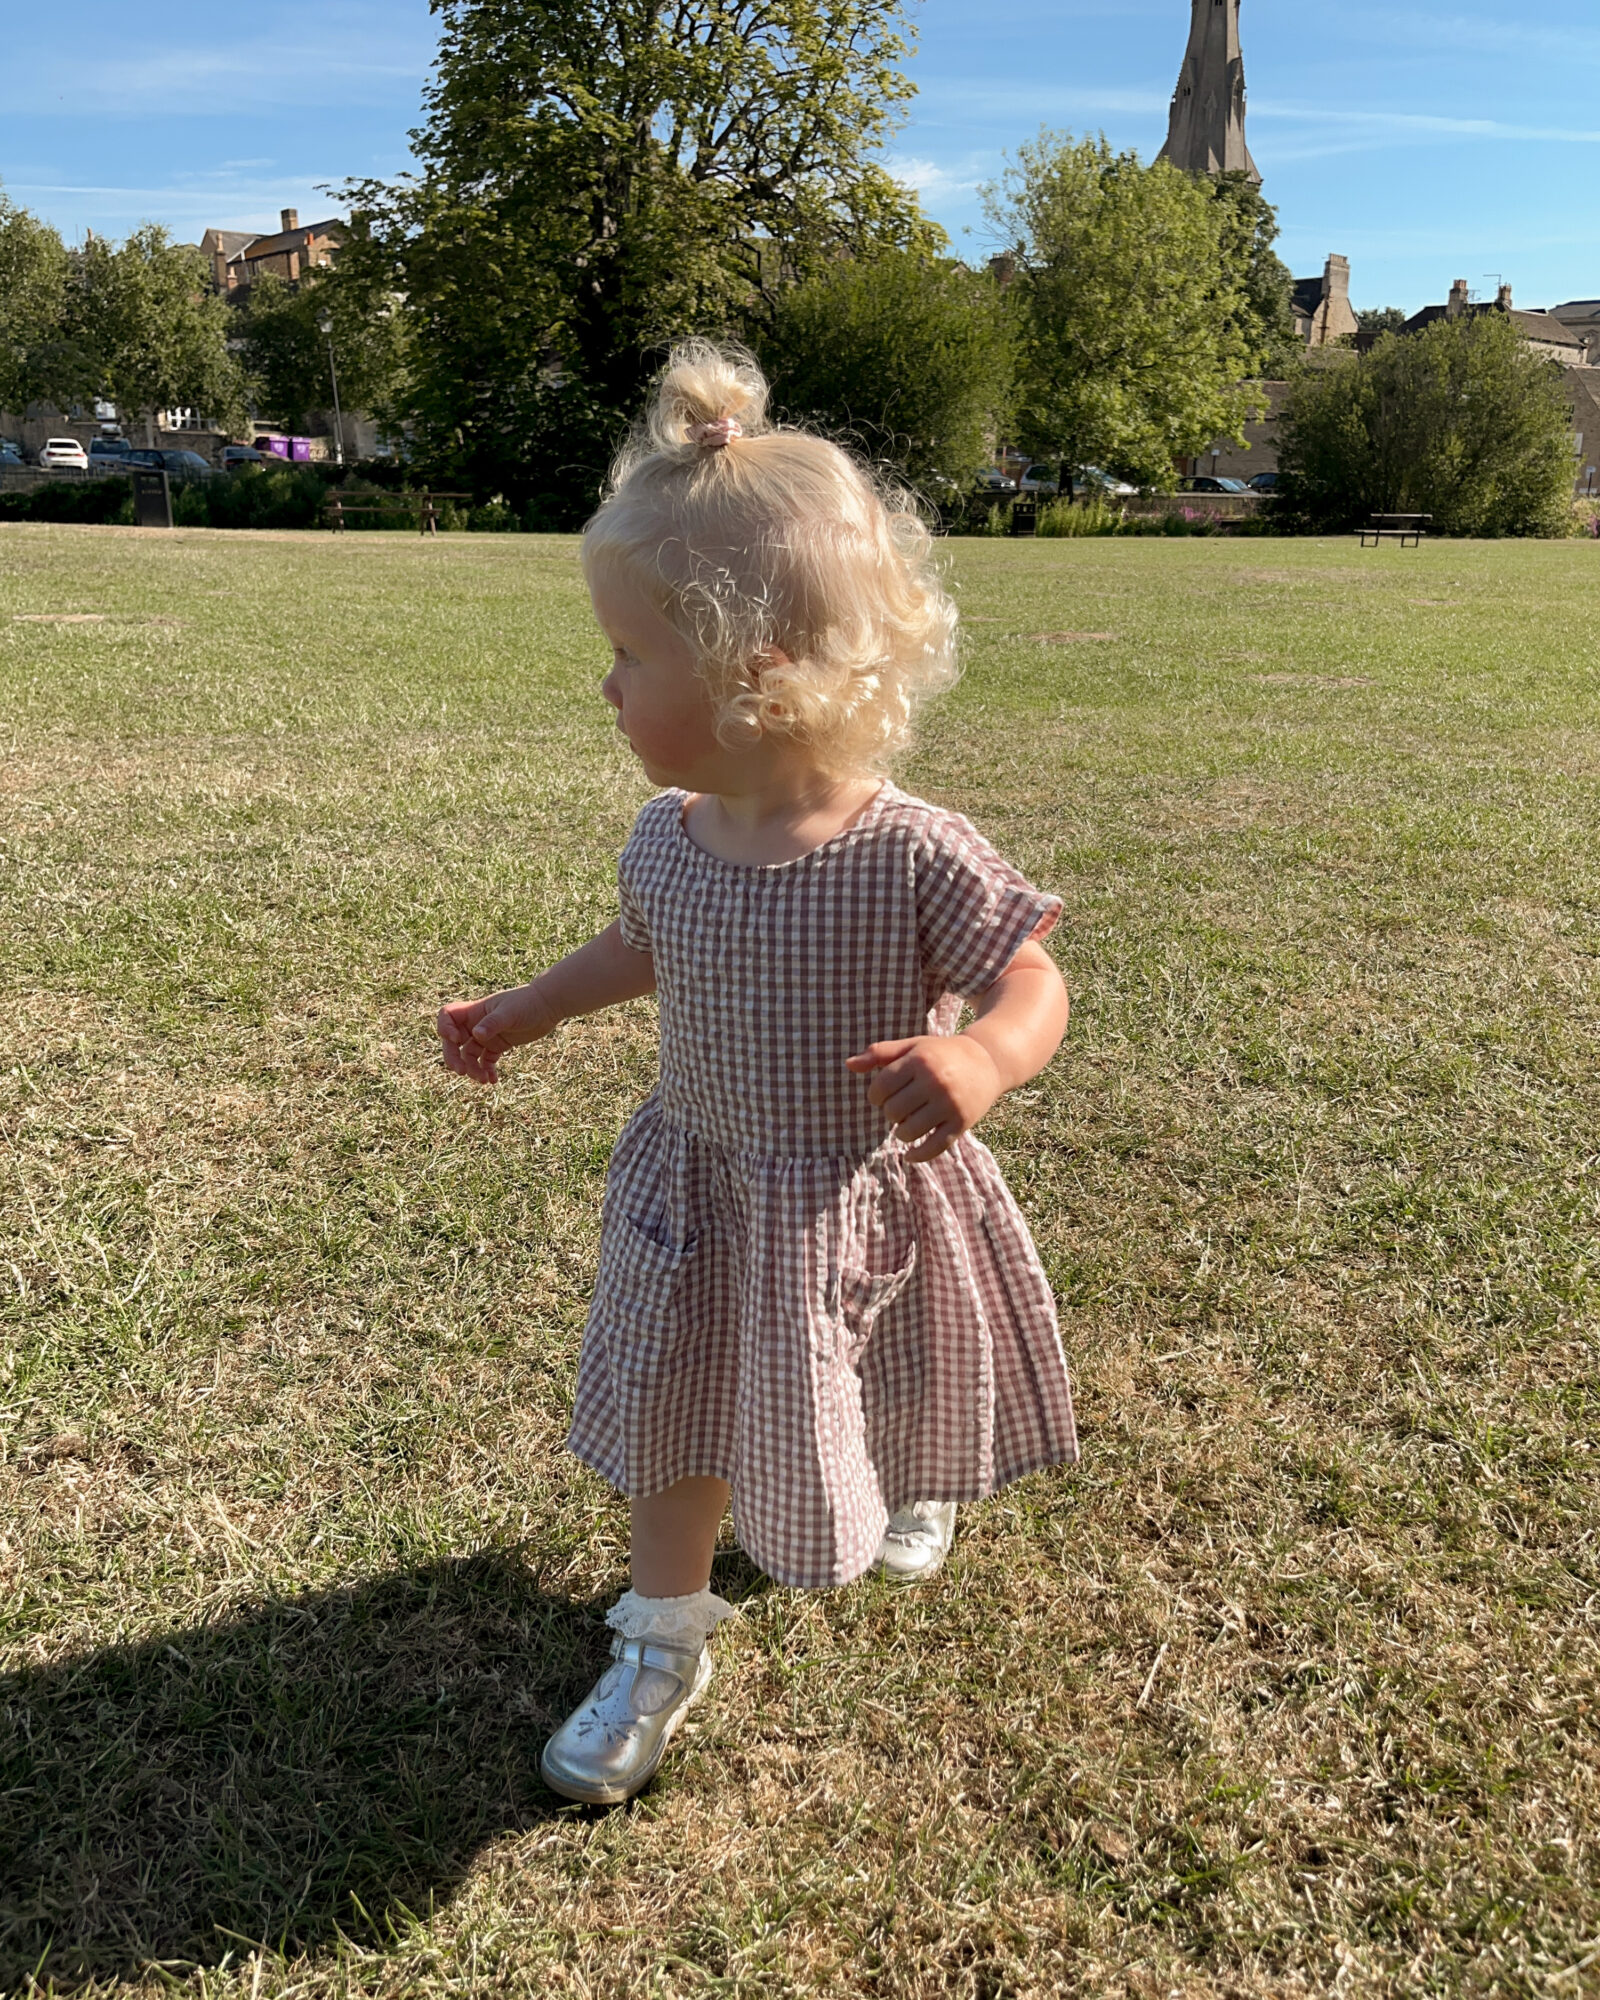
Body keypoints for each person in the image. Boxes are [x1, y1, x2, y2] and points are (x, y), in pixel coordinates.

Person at [437, 341, 1078, 1805]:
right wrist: (522, 1012)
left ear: (752, 672)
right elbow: (637, 949)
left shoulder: (912, 849)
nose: (604, 686)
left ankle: (916, 1484)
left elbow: (1031, 972)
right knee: (683, 1402)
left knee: (880, 1370)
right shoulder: (670, 836)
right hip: (702, 1181)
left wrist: (981, 1052)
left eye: (629, 655)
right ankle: (661, 1641)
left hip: (857, 1190)